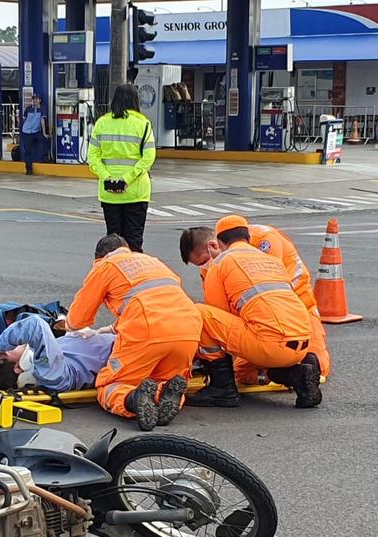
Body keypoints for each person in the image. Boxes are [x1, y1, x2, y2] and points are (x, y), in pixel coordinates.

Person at [67, 234, 202, 431]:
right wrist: (112, 328)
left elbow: (77, 320)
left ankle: (132, 399)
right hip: (188, 327)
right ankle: (164, 395)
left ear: (99, 258)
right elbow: (151, 297)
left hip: (147, 329)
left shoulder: (106, 265)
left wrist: (69, 327)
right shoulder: (153, 262)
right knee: (166, 380)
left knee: (111, 384)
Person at [187, 219, 322, 410]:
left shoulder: (220, 264)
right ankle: (298, 373)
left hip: (269, 344)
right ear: (248, 237)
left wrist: (199, 355)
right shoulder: (272, 261)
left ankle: (222, 389)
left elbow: (217, 315)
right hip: (304, 341)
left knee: (200, 312)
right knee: (244, 371)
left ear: (219, 243)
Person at [88, 85, 156, 253]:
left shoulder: (102, 123)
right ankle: (135, 277)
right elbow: (148, 158)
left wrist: (107, 177)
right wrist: (127, 178)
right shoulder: (143, 124)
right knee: (134, 243)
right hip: (136, 193)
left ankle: (115, 276)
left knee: (113, 244)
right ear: (135, 101)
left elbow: (93, 158)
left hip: (110, 194)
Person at [0, 314, 115, 393]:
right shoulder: (52, 375)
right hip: (130, 354)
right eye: (8, 350)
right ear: (19, 367)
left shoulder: (47, 366)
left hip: (124, 338)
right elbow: (34, 325)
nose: (11, 345)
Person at [19, 94, 50, 175]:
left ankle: (44, 158)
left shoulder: (42, 108)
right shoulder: (28, 109)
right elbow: (24, 120)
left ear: (40, 100)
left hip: (36, 132)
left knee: (45, 140)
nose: (35, 101)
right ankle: (29, 169)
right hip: (26, 132)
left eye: (36, 99)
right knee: (27, 151)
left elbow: (42, 120)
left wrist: (44, 133)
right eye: (33, 99)